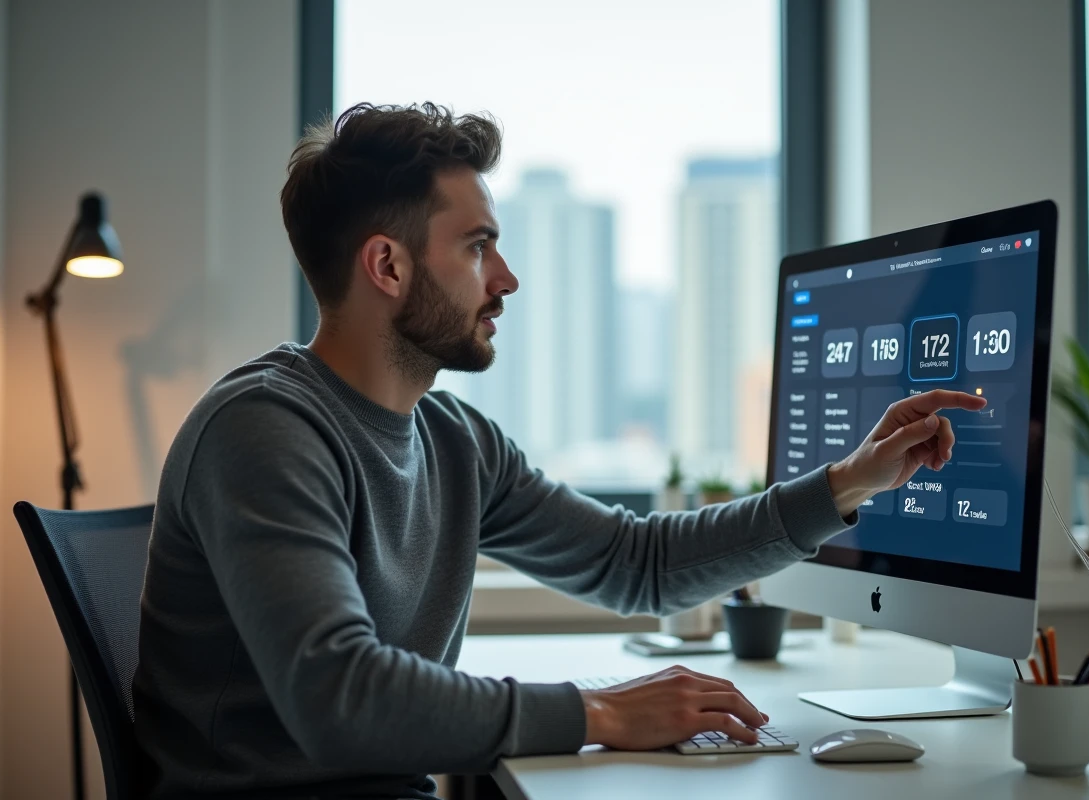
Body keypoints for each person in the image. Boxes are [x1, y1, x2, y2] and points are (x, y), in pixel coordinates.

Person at [133, 102, 985, 800]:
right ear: (387, 266)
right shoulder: (264, 430)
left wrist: (847, 482)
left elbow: (633, 563)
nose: (505, 278)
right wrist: (602, 713)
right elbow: (340, 696)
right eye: (476, 247)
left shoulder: (454, 442)